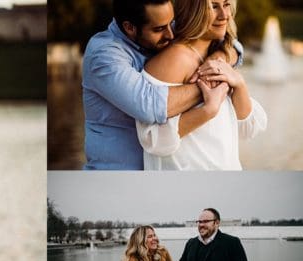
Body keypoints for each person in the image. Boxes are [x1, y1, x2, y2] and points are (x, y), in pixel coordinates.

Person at [81, 0, 244, 170]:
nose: (171, 35)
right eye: (159, 29)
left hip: (157, 178)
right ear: (130, 28)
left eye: (171, 23)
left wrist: (217, 59)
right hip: (115, 178)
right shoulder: (103, 55)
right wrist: (210, 80)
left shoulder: (161, 25)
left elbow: (233, 44)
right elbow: (150, 106)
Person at [135, 0, 266, 170]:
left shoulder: (217, 53)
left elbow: (249, 128)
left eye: (226, 5)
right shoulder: (174, 59)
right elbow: (152, 140)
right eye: (214, 6)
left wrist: (239, 83)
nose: (224, 15)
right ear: (192, 10)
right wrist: (207, 111)